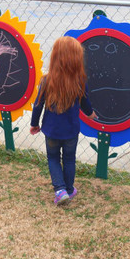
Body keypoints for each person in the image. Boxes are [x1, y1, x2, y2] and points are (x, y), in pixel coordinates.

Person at [30, 36, 96, 206]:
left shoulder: (46, 80)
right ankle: (68, 189)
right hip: (71, 131)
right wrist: (91, 114)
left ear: (55, 57)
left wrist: (34, 124)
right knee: (69, 159)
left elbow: (38, 105)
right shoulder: (80, 81)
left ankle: (59, 190)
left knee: (53, 158)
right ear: (76, 59)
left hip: (51, 131)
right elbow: (85, 104)